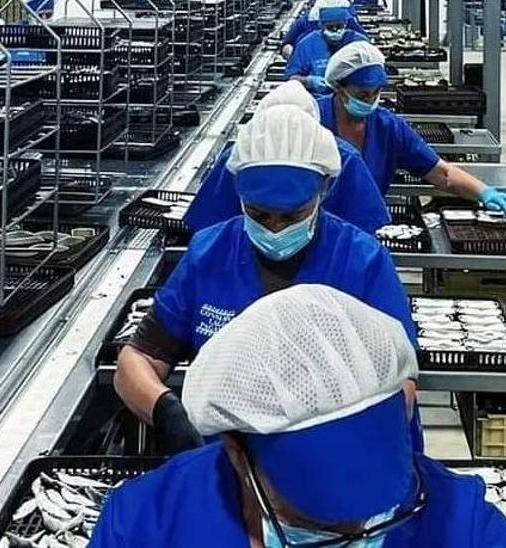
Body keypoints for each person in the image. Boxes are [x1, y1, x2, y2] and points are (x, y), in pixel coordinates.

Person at [90, 285, 506, 548]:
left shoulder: (459, 523)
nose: (358, 533)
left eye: (377, 511)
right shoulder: (147, 525)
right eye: (315, 521)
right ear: (238, 452)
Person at [112, 105, 418, 455]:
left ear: (325, 189)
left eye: (292, 214)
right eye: (259, 213)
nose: (275, 227)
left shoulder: (362, 261)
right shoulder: (209, 254)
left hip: (339, 464)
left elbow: (403, 382)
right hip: (226, 463)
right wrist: (166, 412)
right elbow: (137, 360)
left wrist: (351, 436)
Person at [320, 42, 506, 216]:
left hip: (363, 230)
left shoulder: (388, 127)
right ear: (339, 87)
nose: (372, 100)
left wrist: (485, 192)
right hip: (313, 227)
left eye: (377, 92)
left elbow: (441, 173)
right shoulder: (312, 118)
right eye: (363, 95)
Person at [185, 80, 390, 235]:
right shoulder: (240, 158)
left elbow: (366, 229)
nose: (276, 228)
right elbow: (208, 228)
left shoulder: (345, 160)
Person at [285, 0, 368, 94]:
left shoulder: (359, 43)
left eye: (339, 26)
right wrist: (308, 81)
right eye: (330, 27)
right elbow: (291, 78)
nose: (335, 30)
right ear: (321, 25)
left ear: (346, 23)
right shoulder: (307, 44)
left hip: (352, 100)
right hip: (316, 100)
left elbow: (375, 73)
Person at [281, 0, 368, 58]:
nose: (334, 28)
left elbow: (366, 46)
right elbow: (287, 45)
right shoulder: (306, 21)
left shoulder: (349, 22)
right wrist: (293, 54)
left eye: (338, 25)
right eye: (329, 25)